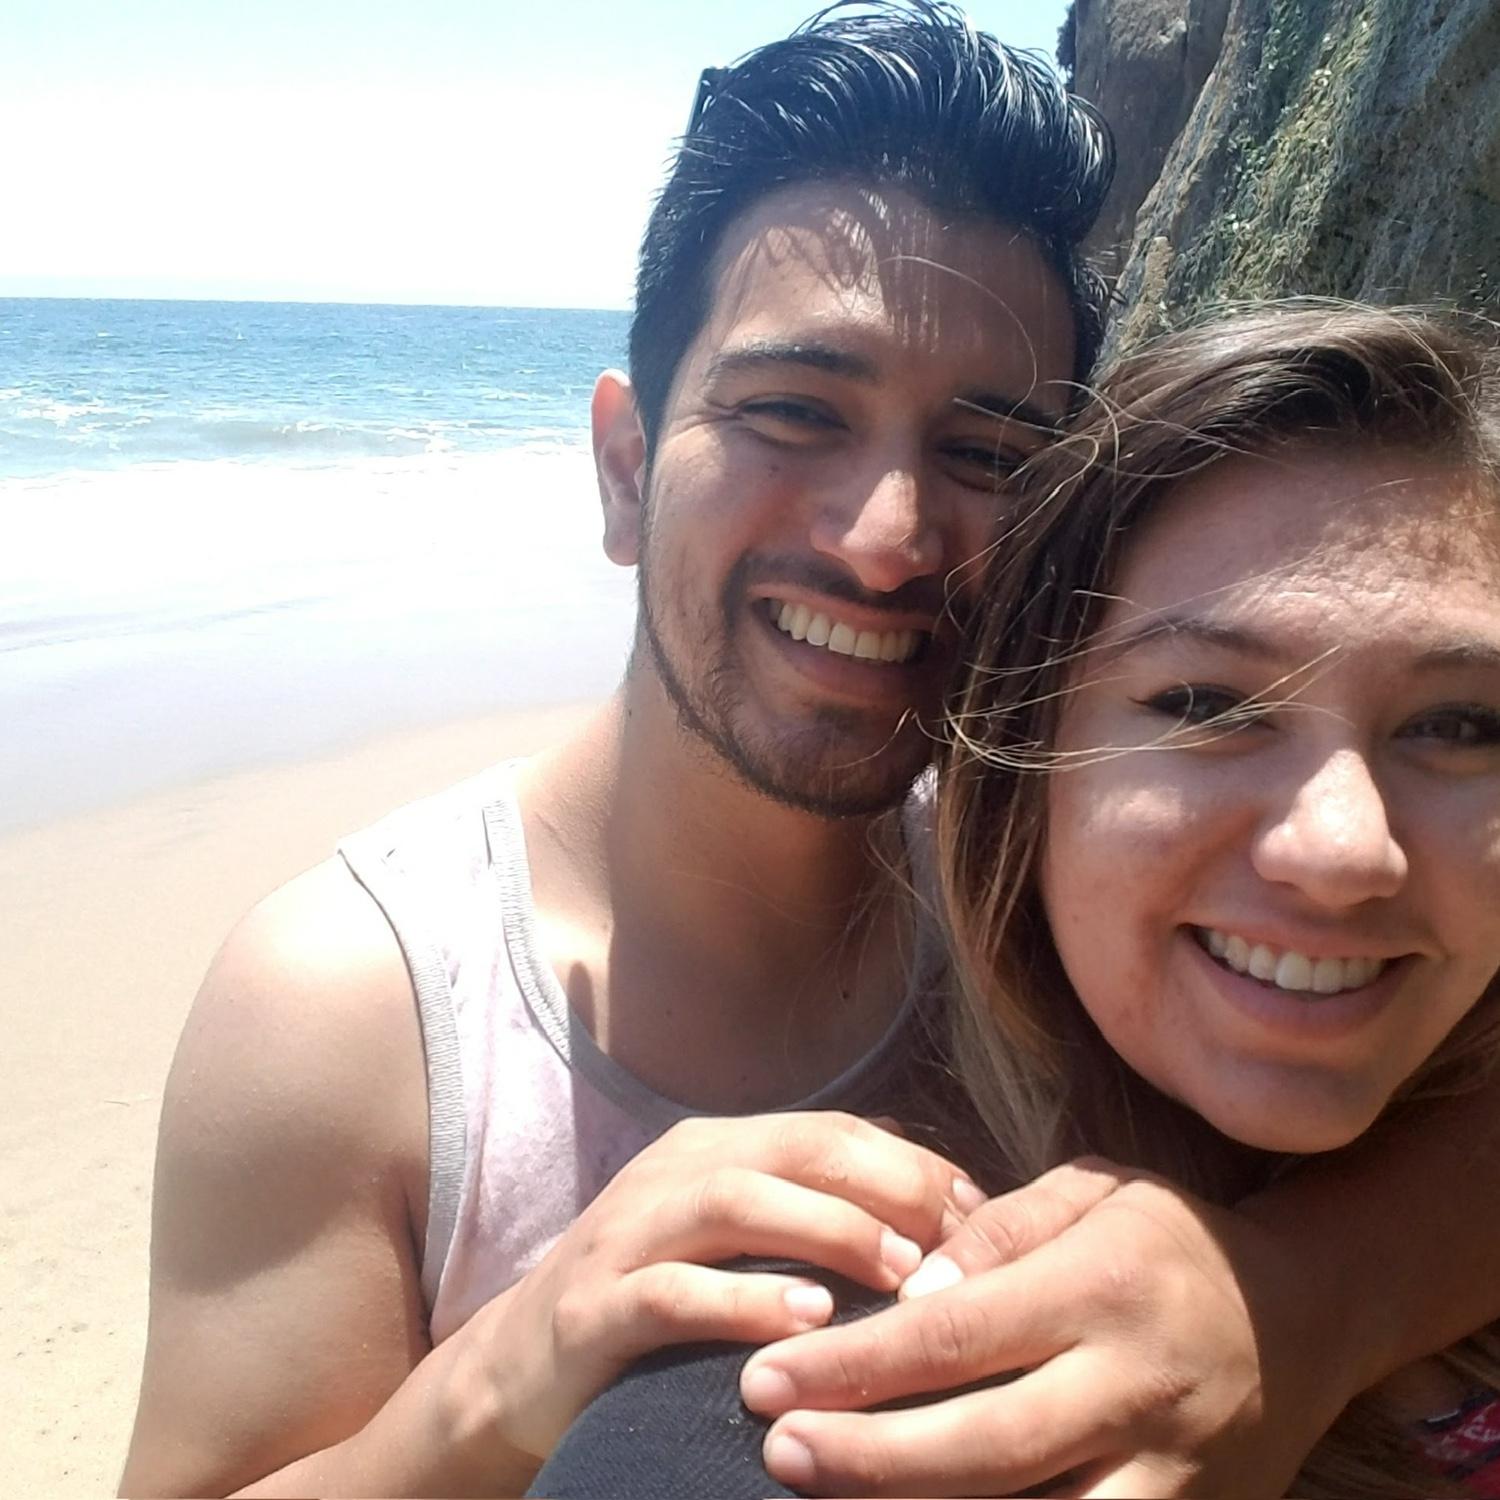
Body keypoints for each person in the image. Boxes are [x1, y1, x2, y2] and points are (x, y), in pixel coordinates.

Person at [118, 1, 1500, 1492]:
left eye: (986, 455)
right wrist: (506, 1379)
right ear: (628, 467)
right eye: (791, 412)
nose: (887, 539)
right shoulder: (365, 1010)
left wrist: (1293, 1300)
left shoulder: (1088, 893)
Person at [528, 302, 1500, 1500]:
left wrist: (1315, 1295)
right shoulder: (847, 1365)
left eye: (1460, 725)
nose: (1348, 849)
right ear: (1013, 779)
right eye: (1205, 704)